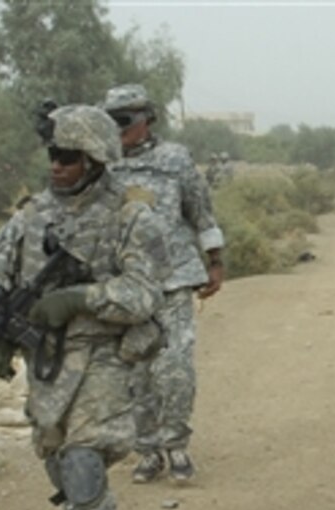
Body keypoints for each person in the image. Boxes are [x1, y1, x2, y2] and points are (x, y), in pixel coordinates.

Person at [0, 104, 166, 510]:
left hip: (103, 354)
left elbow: (143, 295)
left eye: (69, 156)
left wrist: (80, 298)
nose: (56, 165)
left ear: (97, 160)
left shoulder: (131, 217)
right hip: (47, 363)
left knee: (82, 457)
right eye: (53, 154)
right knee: (55, 456)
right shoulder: (28, 219)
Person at [100, 83, 226, 484]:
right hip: (125, 286)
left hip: (174, 279)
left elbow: (201, 212)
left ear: (146, 120)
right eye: (110, 122)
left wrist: (215, 260)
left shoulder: (174, 160)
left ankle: (177, 445)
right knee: (136, 375)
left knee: (175, 368)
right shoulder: (100, 165)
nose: (118, 130)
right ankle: (148, 451)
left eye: (125, 121)